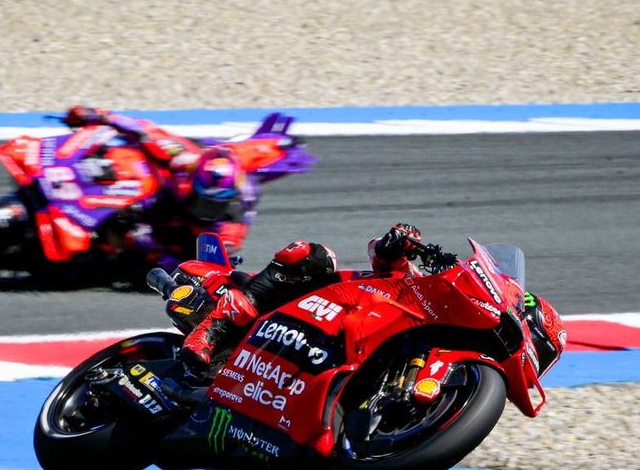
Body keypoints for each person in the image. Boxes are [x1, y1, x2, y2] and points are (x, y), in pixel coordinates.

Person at [180, 222, 564, 378]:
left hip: (308, 367)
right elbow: (388, 263)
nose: (534, 357)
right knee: (313, 255)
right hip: (311, 306)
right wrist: (398, 241)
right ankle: (212, 331)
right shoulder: (431, 298)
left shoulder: (461, 371)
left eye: (541, 359)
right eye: (539, 347)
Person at [63, 105, 250, 273]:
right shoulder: (183, 160)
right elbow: (145, 130)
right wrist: (100, 115)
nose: (205, 211)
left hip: (180, 246)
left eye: (213, 205)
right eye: (202, 201)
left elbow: (211, 271)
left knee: (111, 267)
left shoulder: (230, 228)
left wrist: (153, 250)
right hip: (162, 205)